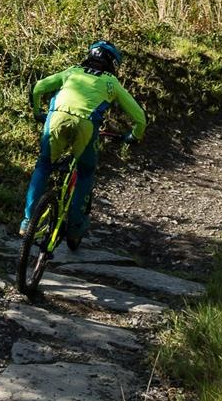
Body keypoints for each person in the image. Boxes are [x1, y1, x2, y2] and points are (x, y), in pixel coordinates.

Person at [20, 40, 147, 250]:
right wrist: (133, 136)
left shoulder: (72, 72)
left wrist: (36, 112)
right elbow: (140, 119)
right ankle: (75, 226)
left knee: (43, 166)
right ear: (112, 63)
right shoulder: (111, 82)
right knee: (86, 172)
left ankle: (27, 221)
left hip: (56, 119)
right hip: (86, 126)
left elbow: (38, 87)